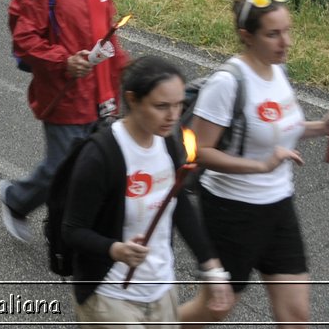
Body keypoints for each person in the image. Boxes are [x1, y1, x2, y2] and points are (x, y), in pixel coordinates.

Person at [176, 0, 329, 328]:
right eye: (273, 34)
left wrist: (323, 126)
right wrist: (261, 165)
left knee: (297, 315)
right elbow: (199, 151)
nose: (286, 42)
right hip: (232, 210)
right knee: (215, 309)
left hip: (278, 205)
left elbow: (283, 128)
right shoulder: (228, 83)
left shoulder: (277, 70)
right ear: (247, 37)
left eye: (288, 30)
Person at [60, 55, 234, 327]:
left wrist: (211, 266)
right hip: (109, 295)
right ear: (132, 100)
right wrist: (115, 249)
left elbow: (179, 207)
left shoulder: (167, 143)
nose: (173, 116)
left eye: (179, 105)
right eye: (161, 106)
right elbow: (72, 230)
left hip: (161, 289)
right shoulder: (101, 155)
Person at [0, 0, 129, 243]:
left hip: (101, 95)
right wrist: (65, 61)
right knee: (63, 169)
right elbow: (25, 39)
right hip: (65, 95)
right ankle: (17, 200)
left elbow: (108, 35)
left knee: (97, 168)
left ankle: (78, 232)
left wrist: (127, 78)